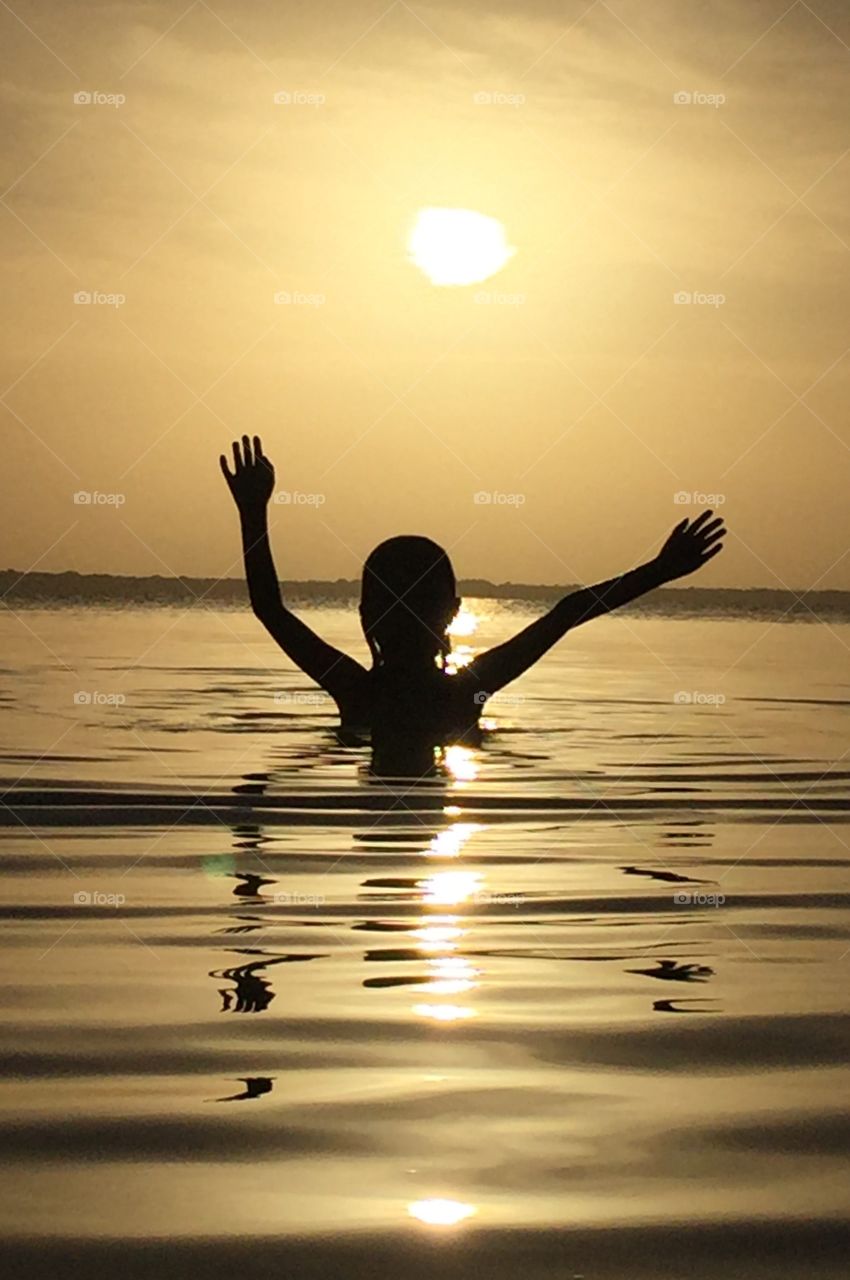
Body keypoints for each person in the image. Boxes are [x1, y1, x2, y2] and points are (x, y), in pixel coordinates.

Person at [220, 436, 726, 774]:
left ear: (364, 614)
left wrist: (253, 513)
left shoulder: (358, 692)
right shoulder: (465, 692)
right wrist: (660, 570)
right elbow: (566, 614)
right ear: (453, 611)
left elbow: (270, 608)